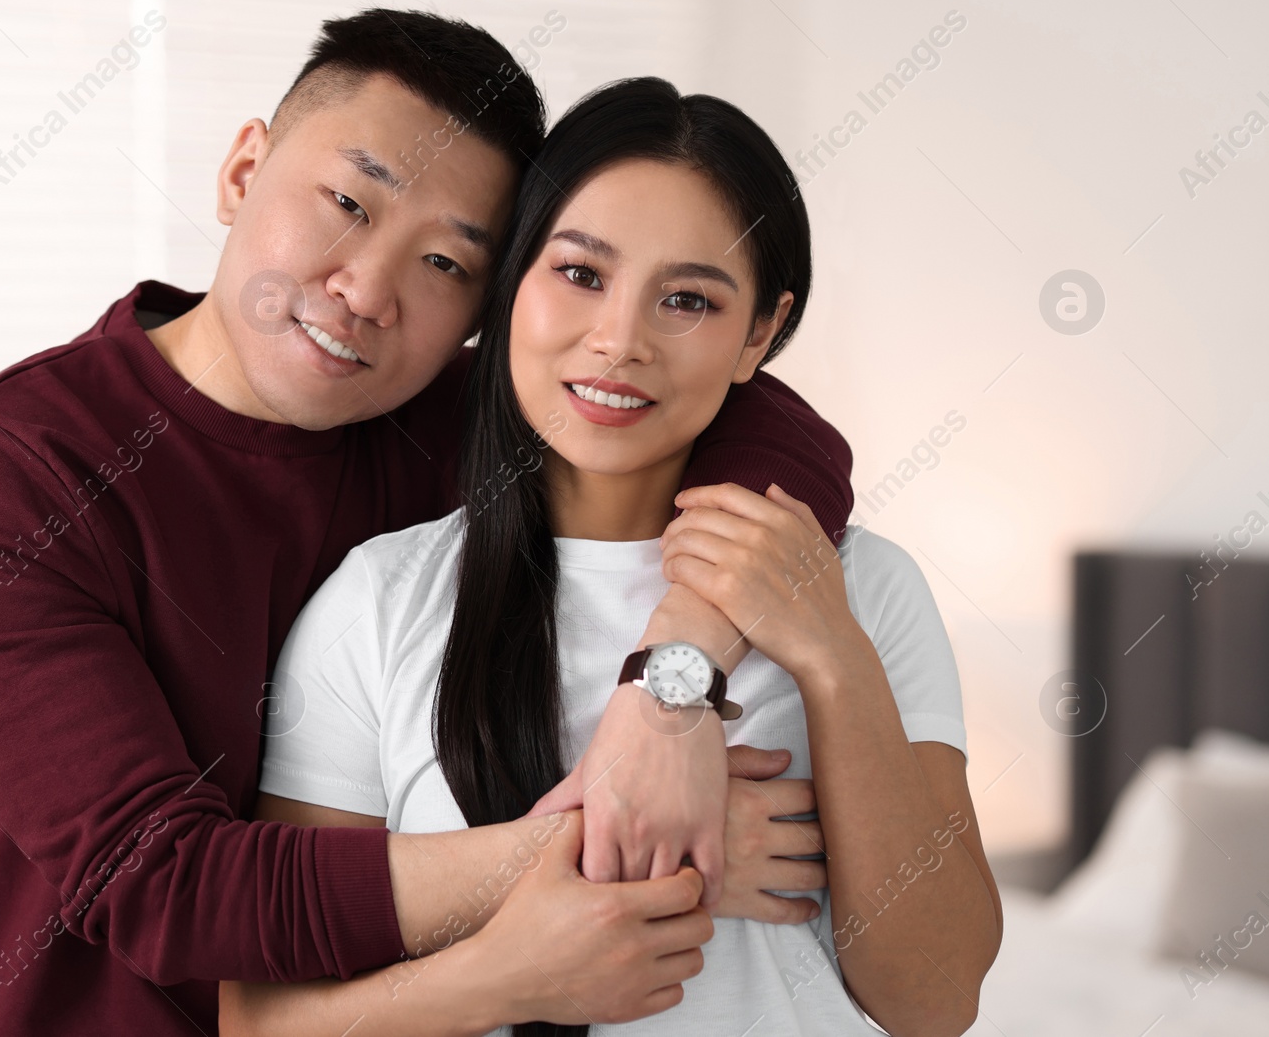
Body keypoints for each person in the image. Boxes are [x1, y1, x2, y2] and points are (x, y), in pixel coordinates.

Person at [0, 11, 856, 1037]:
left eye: (446, 264)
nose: (365, 291)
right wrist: (638, 833)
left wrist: (670, 691)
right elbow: (162, 888)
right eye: (348, 202)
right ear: (242, 169)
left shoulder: (457, 421)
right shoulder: (7, 472)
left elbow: (777, 428)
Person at [220, 77, 1003, 1037]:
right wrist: (532, 947)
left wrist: (833, 657)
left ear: (760, 333)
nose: (619, 341)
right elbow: (259, 1018)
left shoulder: (866, 586)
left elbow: (937, 997)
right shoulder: (379, 600)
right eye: (581, 274)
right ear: (511, 283)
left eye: (687, 299)